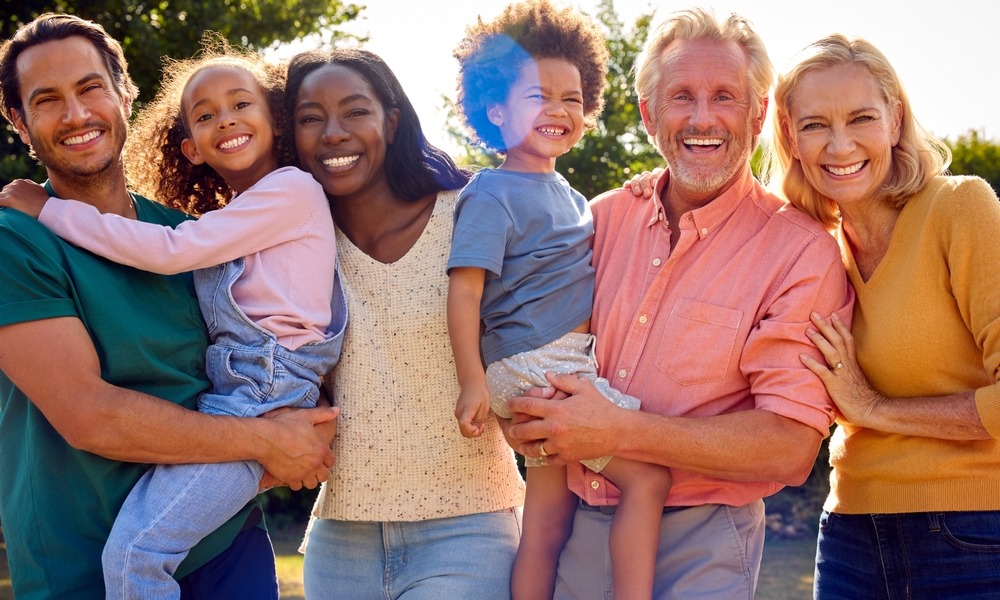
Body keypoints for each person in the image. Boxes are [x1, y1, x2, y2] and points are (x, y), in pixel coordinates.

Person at [501, 7, 854, 598]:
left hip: (704, 536)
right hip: (571, 525)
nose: (702, 118)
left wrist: (619, 431)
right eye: (681, 96)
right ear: (648, 114)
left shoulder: (801, 254)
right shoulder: (597, 220)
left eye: (725, 96)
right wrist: (531, 417)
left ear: (759, 112)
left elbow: (790, 448)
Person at [0, 13, 338, 600]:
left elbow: (273, 331)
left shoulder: (184, 236)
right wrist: (268, 442)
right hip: (84, 565)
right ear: (19, 122)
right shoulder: (15, 241)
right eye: (47, 99)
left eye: (90, 89)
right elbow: (90, 417)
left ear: (123, 95)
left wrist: (305, 428)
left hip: (227, 550)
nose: (77, 115)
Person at [286, 47, 526, 599]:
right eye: (309, 118)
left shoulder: (471, 210)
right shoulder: (296, 242)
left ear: (391, 122)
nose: (333, 133)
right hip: (340, 538)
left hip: (469, 529)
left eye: (355, 111)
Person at [448, 1, 670, 598]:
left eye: (572, 98)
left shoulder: (567, 192)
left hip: (549, 365)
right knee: (646, 478)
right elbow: (465, 290)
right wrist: (473, 382)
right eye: (537, 97)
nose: (558, 110)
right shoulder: (491, 194)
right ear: (494, 111)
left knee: (547, 517)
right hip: (535, 366)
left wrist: (648, 184)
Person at [767, 34, 1000, 598]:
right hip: (848, 532)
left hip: (971, 528)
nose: (839, 145)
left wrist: (873, 408)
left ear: (895, 121)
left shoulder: (960, 208)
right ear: (791, 139)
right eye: (815, 124)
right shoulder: (811, 251)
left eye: (861, 118)